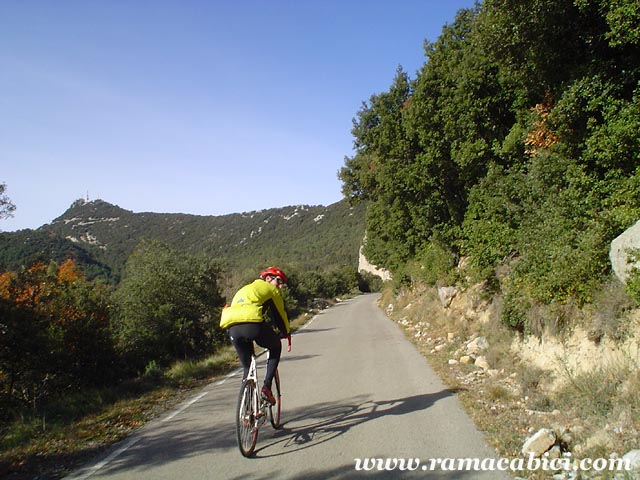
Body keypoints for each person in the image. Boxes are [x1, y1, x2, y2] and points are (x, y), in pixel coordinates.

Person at [220, 266, 291, 405]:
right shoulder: (271, 290)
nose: (280, 286)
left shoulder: (244, 289)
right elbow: (279, 314)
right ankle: (267, 388)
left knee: (247, 368)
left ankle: (246, 412)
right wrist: (286, 332)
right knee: (275, 346)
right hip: (252, 325)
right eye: (279, 281)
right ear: (268, 278)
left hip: (232, 328)